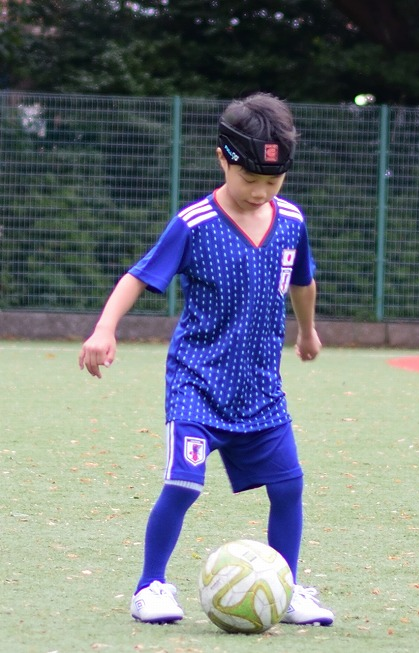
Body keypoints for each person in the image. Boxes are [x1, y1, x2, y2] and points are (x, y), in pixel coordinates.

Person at [78, 92, 335, 627]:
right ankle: (150, 585)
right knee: (183, 483)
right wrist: (105, 329)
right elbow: (138, 275)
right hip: (197, 383)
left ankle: (283, 587)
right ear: (223, 159)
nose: (262, 192)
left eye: (273, 181)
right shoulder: (195, 223)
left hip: (261, 389)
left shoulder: (290, 220)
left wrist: (307, 332)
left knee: (289, 487)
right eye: (251, 181)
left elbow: (303, 281)